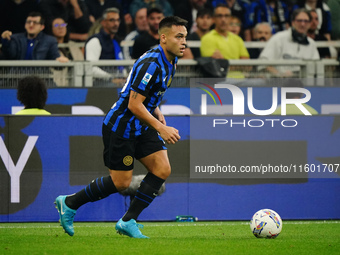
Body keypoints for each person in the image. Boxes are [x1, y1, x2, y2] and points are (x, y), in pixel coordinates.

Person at [55, 16, 187, 239]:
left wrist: (155, 109)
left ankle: (128, 221)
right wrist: (161, 128)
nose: (184, 42)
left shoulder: (171, 59)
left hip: (141, 125)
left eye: (186, 37)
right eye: (179, 37)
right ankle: (69, 202)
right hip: (122, 127)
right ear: (163, 38)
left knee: (162, 169)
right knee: (121, 182)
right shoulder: (152, 63)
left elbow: (141, 92)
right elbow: (133, 104)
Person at [259, 8, 320, 77]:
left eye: (306, 21)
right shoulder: (279, 38)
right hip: (279, 83)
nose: (303, 24)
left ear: (309, 24)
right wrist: (280, 75)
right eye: (299, 21)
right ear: (293, 23)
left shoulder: (311, 44)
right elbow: (263, 63)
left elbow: (316, 68)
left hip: (304, 84)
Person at [1, 12, 68, 62]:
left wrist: (59, 59)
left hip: (41, 77)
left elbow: (54, 57)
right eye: (29, 22)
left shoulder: (50, 40)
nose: (31, 25)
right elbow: (9, 55)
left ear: (42, 27)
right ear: (25, 25)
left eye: (35, 22)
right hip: (17, 76)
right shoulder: (16, 38)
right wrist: (5, 40)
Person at [85, 7, 124, 81]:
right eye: (112, 20)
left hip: (118, 83)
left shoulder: (117, 41)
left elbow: (121, 64)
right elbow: (90, 68)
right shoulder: (95, 41)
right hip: (99, 85)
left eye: (117, 20)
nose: (115, 23)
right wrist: (111, 78)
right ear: (103, 22)